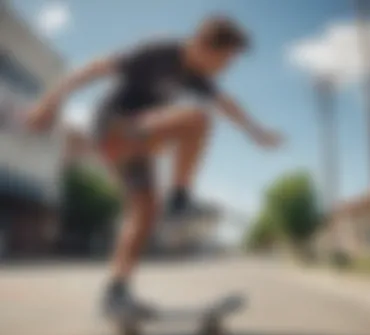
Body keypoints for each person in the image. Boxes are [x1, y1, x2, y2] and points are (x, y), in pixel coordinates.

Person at [28, 15, 283, 317]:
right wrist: (50, 101)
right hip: (114, 127)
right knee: (196, 120)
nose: (224, 69)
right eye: (225, 60)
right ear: (205, 45)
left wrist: (257, 132)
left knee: (145, 212)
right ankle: (180, 200)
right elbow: (96, 67)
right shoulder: (159, 50)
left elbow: (227, 103)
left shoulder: (197, 77)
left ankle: (116, 292)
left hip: (133, 146)